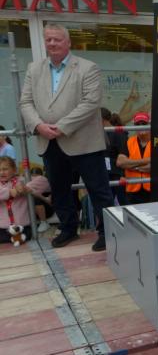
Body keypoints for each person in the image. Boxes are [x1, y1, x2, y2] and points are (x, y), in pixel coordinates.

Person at [19, 23, 113, 251]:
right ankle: (68, 228)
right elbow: (26, 102)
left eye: (57, 39)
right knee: (59, 189)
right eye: (48, 39)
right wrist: (38, 125)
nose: (52, 43)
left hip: (84, 142)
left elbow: (91, 103)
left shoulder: (88, 68)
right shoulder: (34, 68)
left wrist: (61, 127)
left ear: (68, 42)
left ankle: (108, 233)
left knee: (98, 189)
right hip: (49, 141)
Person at [0, 156, 49, 244]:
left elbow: (44, 181)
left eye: (5, 169)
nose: (1, 172)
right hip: (3, 228)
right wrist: (10, 192)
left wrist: (25, 188)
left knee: (24, 238)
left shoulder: (22, 180)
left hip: (23, 226)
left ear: (14, 170)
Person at [117, 112, 152, 205]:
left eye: (144, 123)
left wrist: (130, 166)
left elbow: (155, 167)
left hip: (152, 190)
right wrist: (147, 160)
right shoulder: (129, 141)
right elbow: (120, 162)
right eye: (138, 124)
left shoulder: (157, 141)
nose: (141, 126)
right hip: (132, 191)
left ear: (149, 124)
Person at [102, 108, 128, 206]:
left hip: (117, 174)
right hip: (106, 173)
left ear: (102, 119)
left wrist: (123, 175)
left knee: (123, 201)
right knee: (107, 203)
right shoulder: (101, 133)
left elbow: (124, 154)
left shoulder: (118, 133)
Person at [29, 167, 54, 233]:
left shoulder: (44, 180)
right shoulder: (30, 181)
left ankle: (43, 222)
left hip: (47, 210)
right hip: (31, 213)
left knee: (35, 199)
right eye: (33, 176)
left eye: (36, 176)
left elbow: (28, 189)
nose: (35, 179)